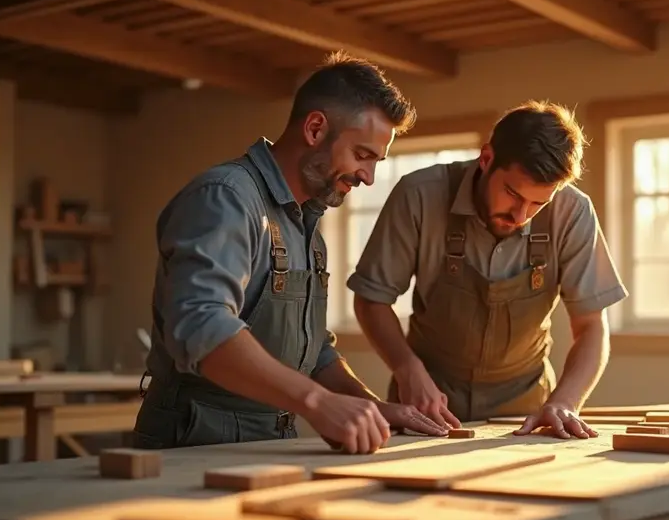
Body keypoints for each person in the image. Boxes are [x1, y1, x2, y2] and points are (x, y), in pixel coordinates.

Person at [132, 52, 450, 455]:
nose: (368, 177)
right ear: (315, 129)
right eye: (362, 155)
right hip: (192, 439)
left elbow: (313, 353)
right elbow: (202, 324)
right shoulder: (226, 198)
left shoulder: (308, 228)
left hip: (269, 440)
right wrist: (318, 402)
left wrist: (373, 408)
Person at [348, 101, 628, 439]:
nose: (520, 216)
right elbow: (371, 300)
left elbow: (591, 325)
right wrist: (407, 369)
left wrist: (566, 402)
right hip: (427, 403)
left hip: (526, 408)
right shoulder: (419, 195)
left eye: (538, 203)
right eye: (512, 193)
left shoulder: (573, 211)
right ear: (486, 159)